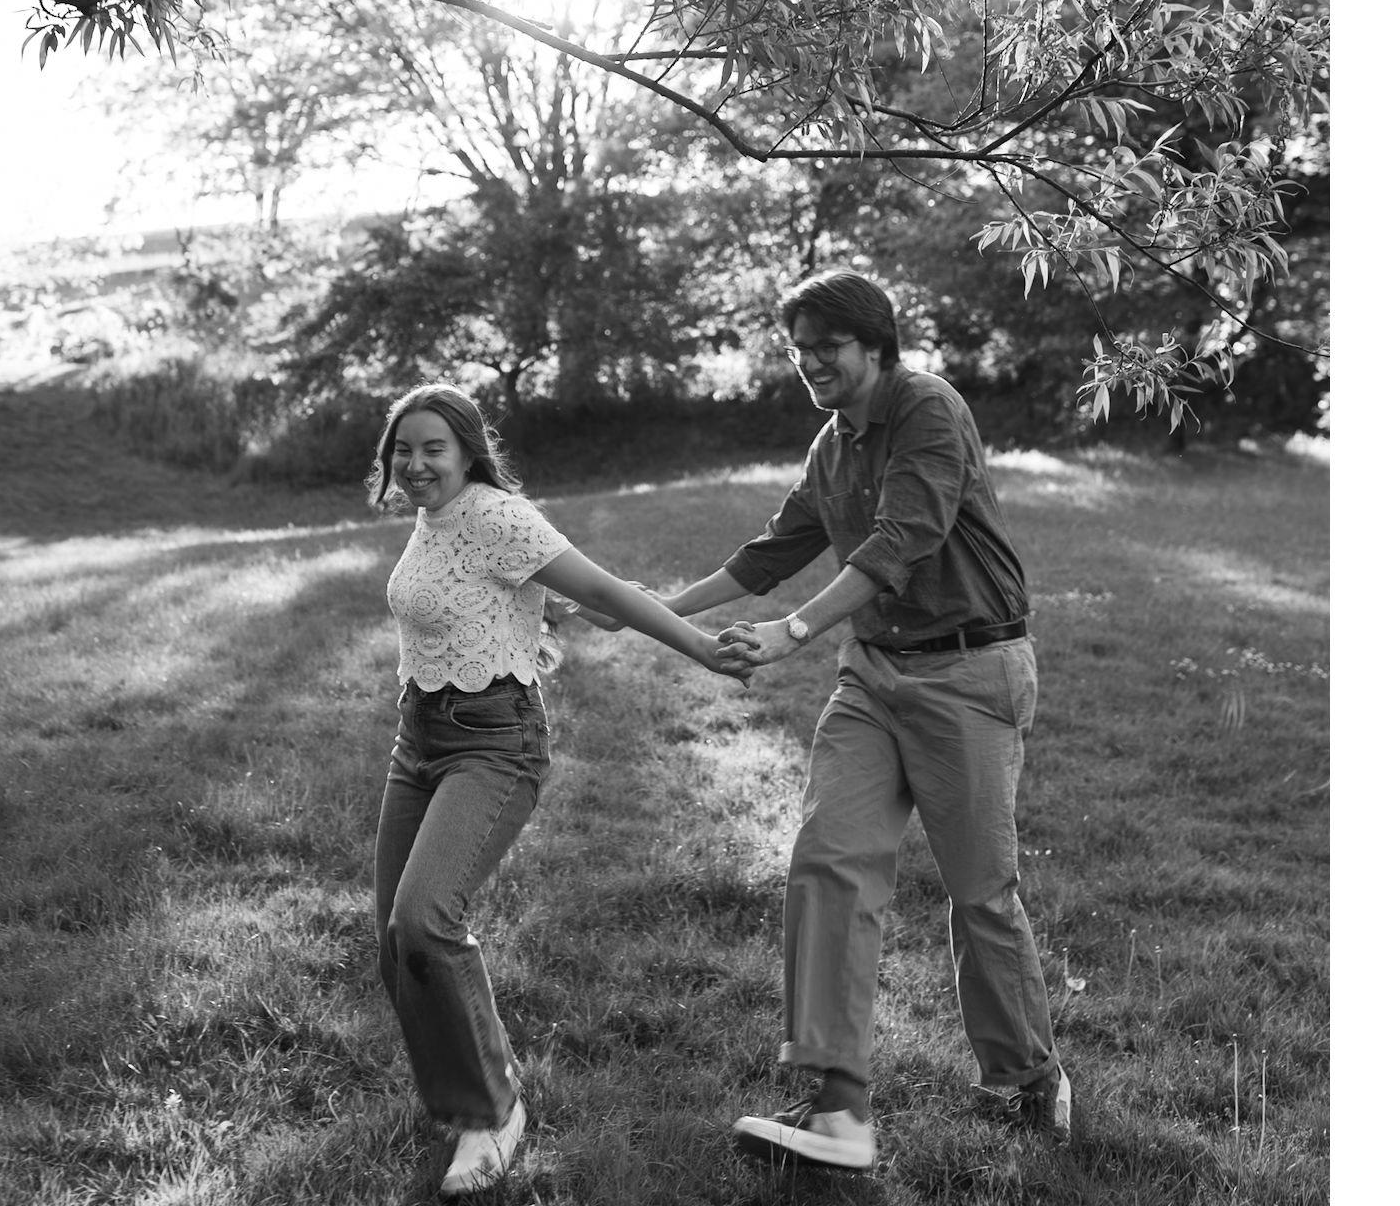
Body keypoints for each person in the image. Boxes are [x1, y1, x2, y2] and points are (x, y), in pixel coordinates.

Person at [649, 270, 1070, 1173]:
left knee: (979, 893)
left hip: (970, 671)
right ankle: (839, 1105)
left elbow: (900, 540)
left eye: (826, 347)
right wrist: (647, 611)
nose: (809, 363)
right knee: (828, 860)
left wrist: (796, 631)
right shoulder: (832, 442)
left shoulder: (927, 408)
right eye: (798, 349)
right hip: (873, 676)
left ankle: (1026, 1075)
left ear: (875, 346)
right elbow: (774, 551)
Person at [368, 383, 748, 1197]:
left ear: (468, 452)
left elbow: (606, 591)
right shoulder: (432, 518)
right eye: (404, 448)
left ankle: (493, 1112)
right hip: (418, 737)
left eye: (433, 448)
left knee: (424, 920)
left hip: (493, 743)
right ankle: (466, 1093)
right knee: (396, 941)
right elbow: (488, 597)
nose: (416, 463)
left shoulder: (499, 516)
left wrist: (702, 648)